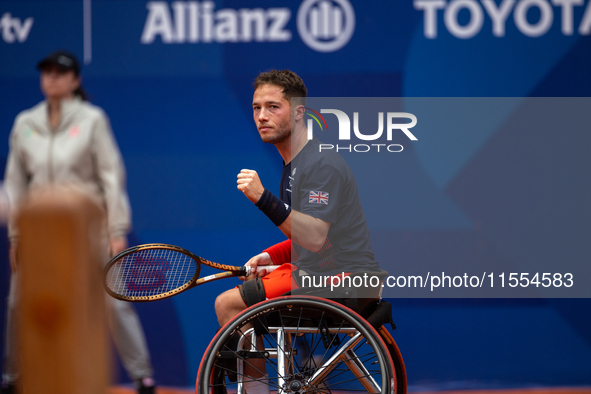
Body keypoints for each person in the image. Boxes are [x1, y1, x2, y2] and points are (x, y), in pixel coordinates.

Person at [214, 69, 379, 393]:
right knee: (248, 288)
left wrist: (263, 198)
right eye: (256, 107)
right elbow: (317, 241)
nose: (262, 116)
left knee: (229, 305)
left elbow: (316, 237)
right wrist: (269, 255)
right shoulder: (297, 166)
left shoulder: (319, 165)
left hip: (344, 281)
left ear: (299, 112)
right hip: (328, 273)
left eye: (273, 107)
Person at [1, 51, 156, 394]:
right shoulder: (24, 123)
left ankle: (142, 377)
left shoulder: (92, 119)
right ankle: (12, 378)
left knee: (115, 302)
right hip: (39, 234)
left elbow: (111, 176)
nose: (52, 77)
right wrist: (16, 236)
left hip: (91, 232)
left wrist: (116, 229)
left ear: (75, 80)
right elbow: (14, 183)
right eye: (47, 72)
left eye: (61, 72)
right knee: (17, 303)